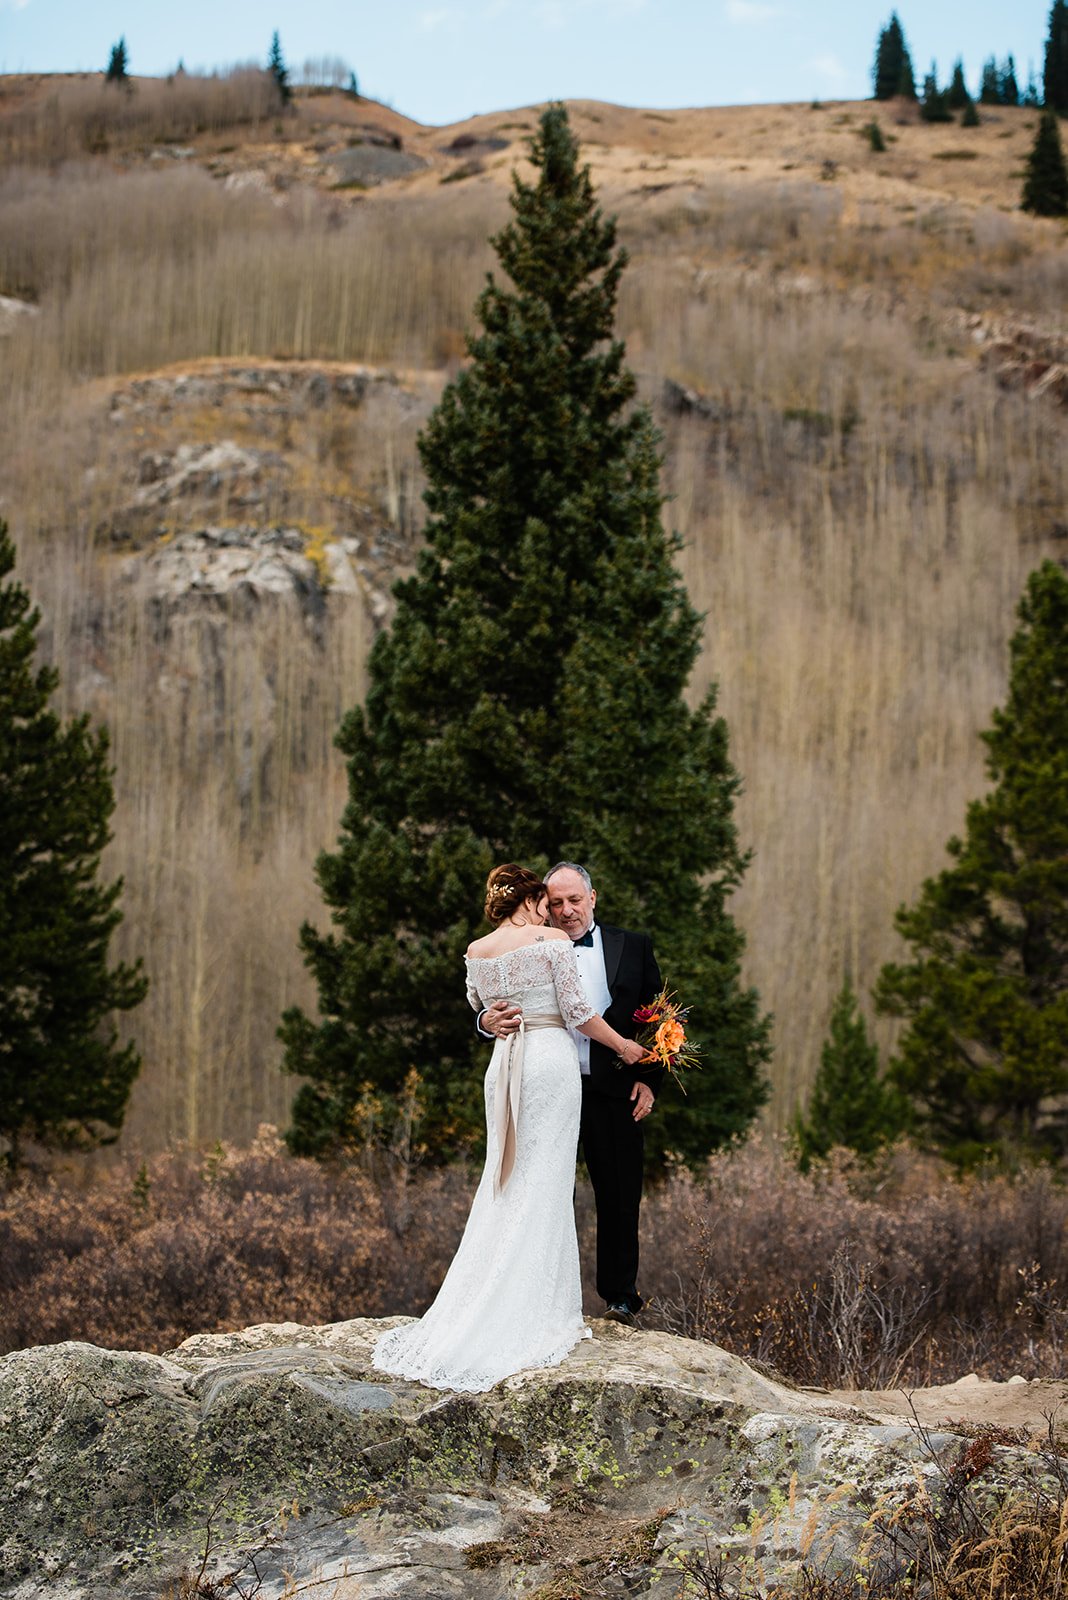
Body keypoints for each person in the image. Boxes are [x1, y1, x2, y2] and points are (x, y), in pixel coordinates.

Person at [372, 863, 646, 1393]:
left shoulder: (477, 950)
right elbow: (576, 1012)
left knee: (508, 1176)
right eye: (545, 899)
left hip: (505, 1068)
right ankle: (535, 1307)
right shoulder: (549, 942)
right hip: (547, 1063)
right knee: (543, 1179)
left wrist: (487, 1022)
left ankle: (488, 1293)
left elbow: (482, 1008)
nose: (552, 910)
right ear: (530, 900)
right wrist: (624, 1046)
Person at [479, 862, 662, 1326]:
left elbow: (657, 1015)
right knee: (536, 1184)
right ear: (542, 902)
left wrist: (649, 1077)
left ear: (593, 897)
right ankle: (533, 1295)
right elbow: (487, 998)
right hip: (546, 1084)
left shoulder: (633, 946)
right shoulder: (534, 945)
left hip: (612, 1089)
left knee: (619, 1193)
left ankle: (620, 1297)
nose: (565, 911)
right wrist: (483, 1022)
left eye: (574, 900)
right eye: (555, 902)